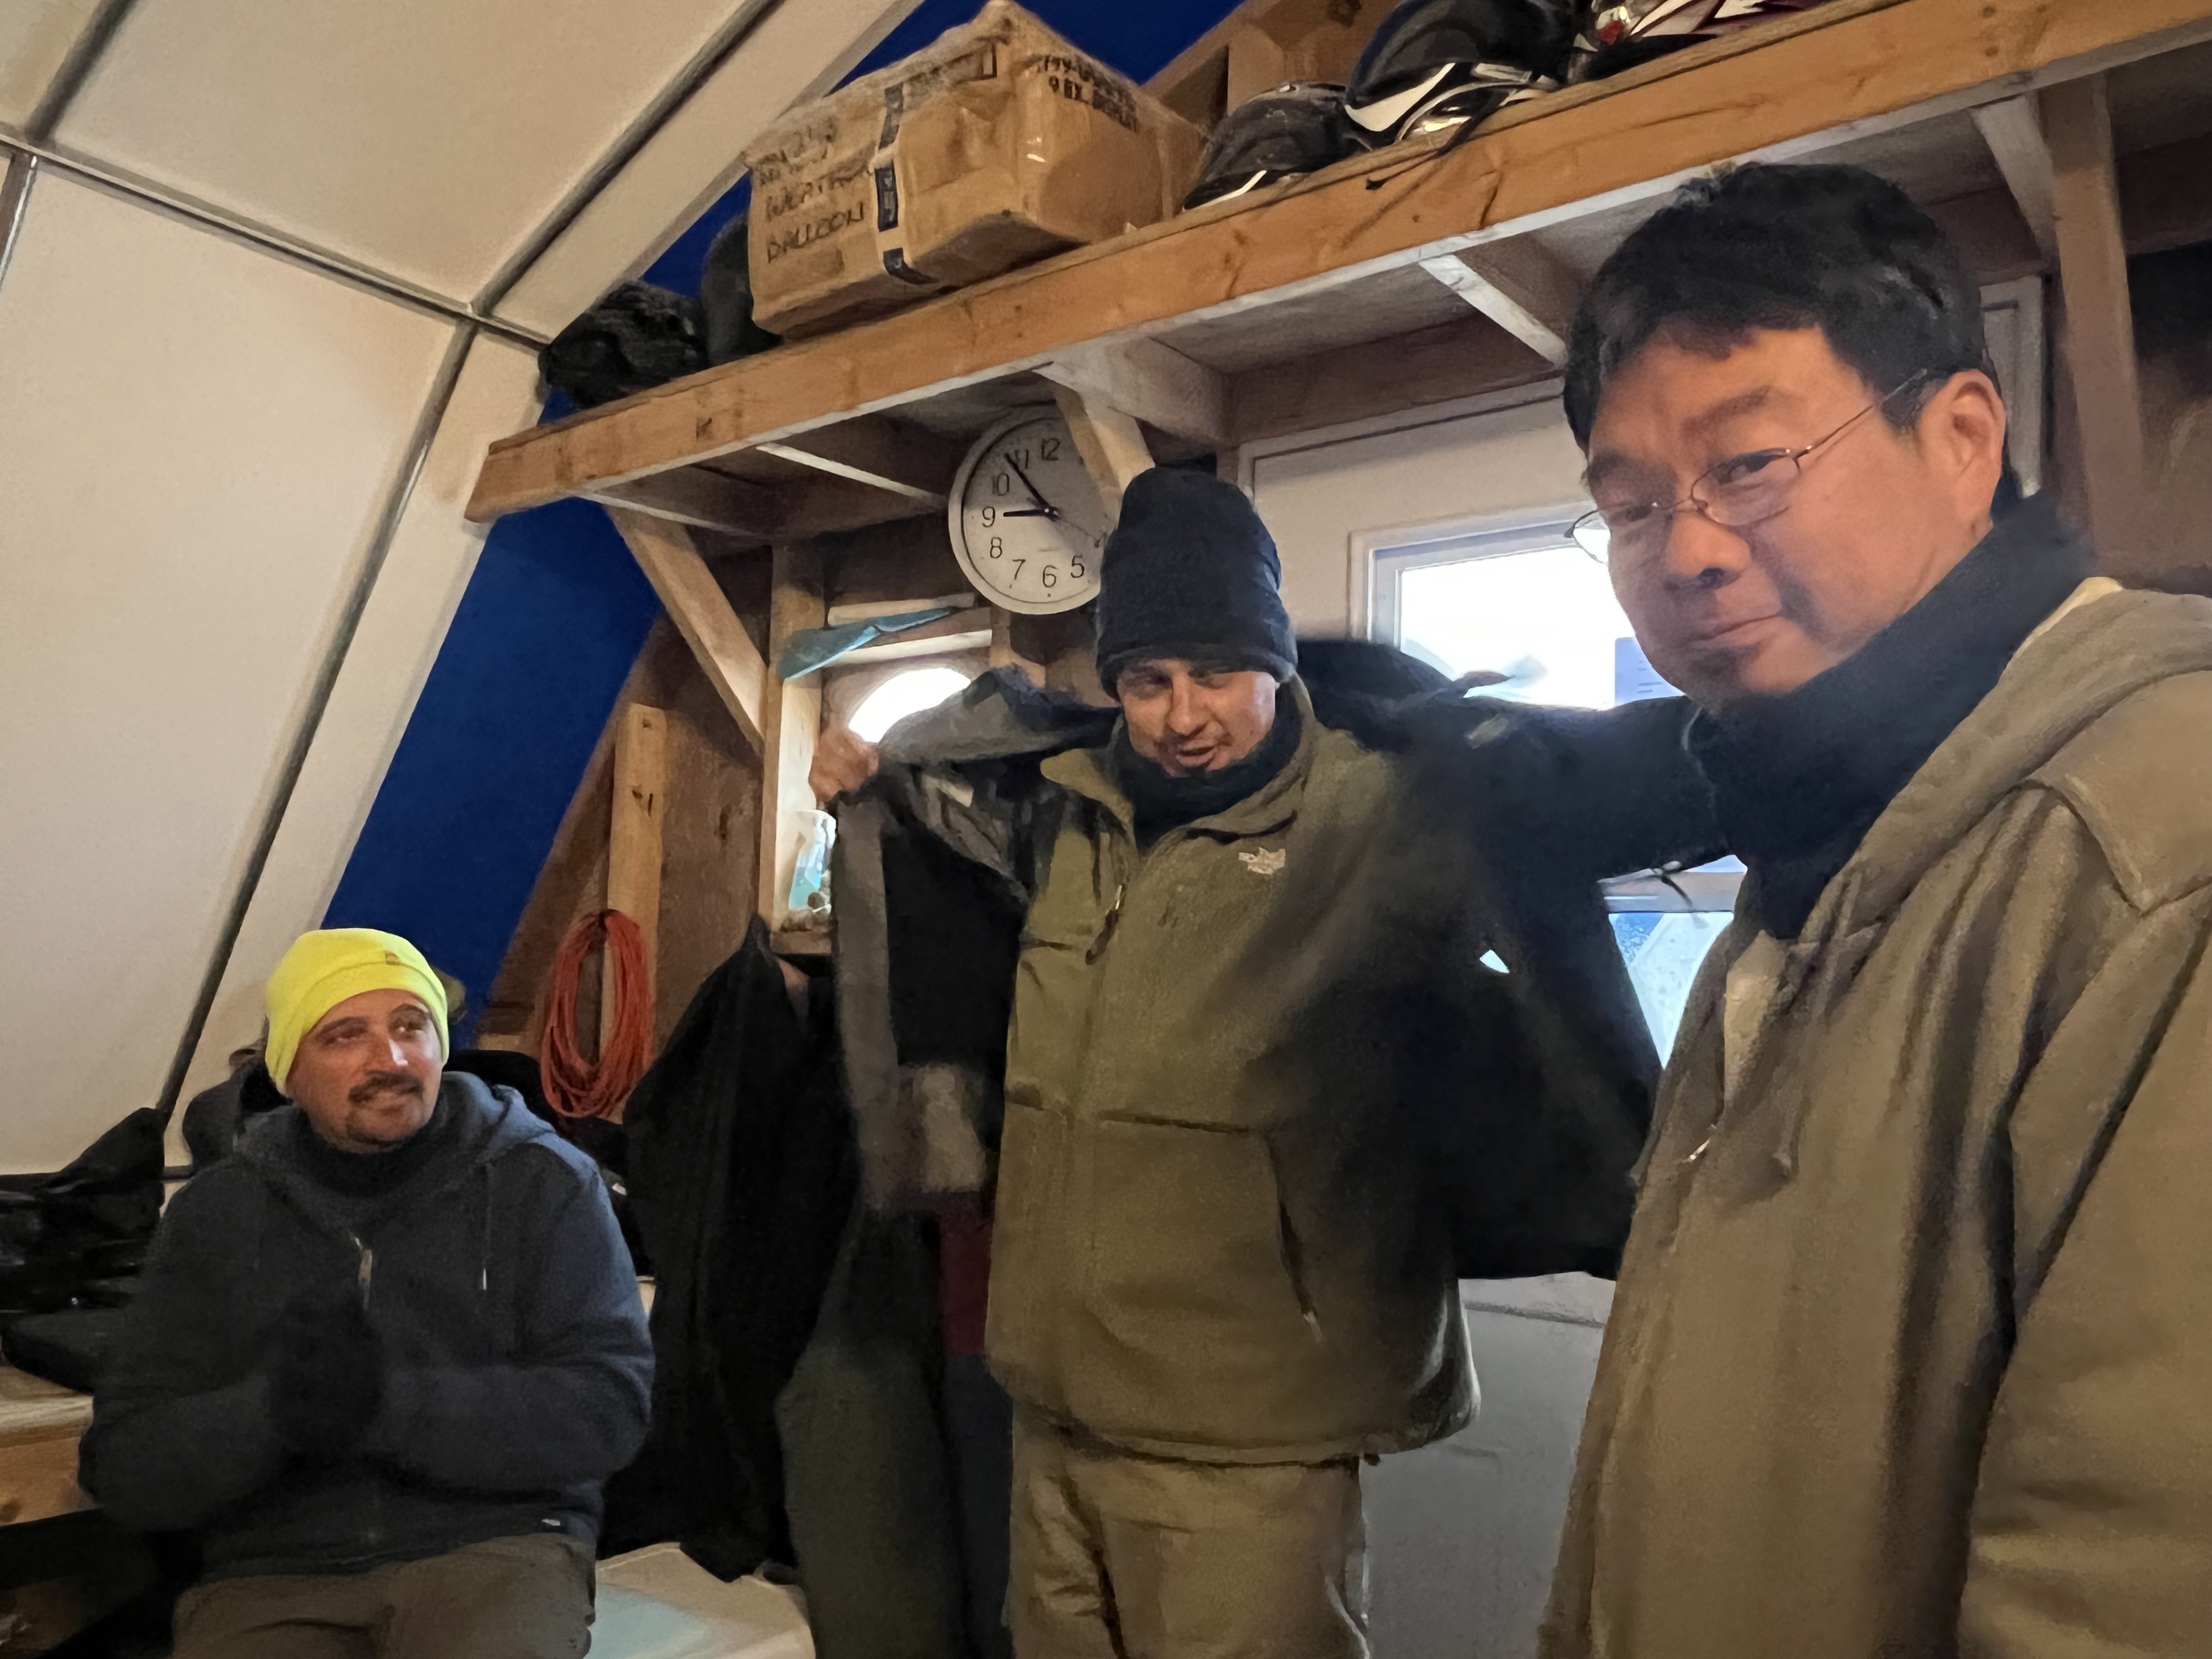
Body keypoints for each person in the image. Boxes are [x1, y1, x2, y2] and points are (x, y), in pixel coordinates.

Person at [814, 467, 1703, 1659]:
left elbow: (1634, 790)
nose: (1185, 714)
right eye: (1147, 679)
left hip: (1249, 1442)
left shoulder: (1383, 809)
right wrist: (867, 795)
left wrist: (1822, 709)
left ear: (1276, 664)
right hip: (1055, 1419)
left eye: (1219, 673)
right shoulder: (1062, 818)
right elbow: (945, 884)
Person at [1542, 162, 2212, 1658]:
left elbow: (2137, 1581)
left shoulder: (2152, 835)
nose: (1691, 549)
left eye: (1753, 463)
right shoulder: (1820, 847)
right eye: (1633, 505)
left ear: (1963, 439)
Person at [83, 928, 652, 1659]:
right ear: (288, 1071)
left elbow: (609, 1409)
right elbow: (125, 1468)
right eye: (345, 1036)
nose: (389, 1059)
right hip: (271, 1570)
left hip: (492, 1550)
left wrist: (392, 1405)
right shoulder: (215, 1215)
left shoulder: (542, 1181)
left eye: (411, 1027)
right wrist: (274, 1416)